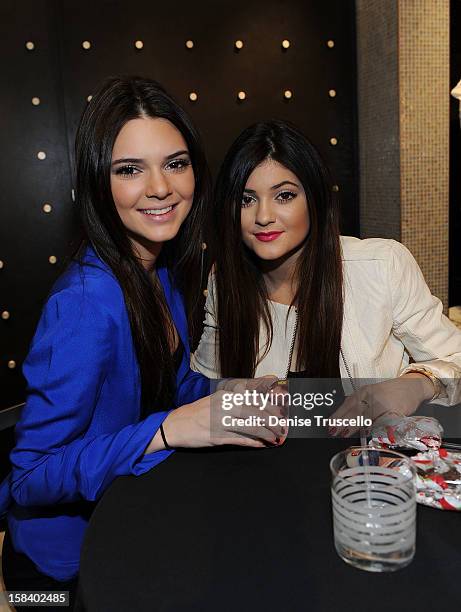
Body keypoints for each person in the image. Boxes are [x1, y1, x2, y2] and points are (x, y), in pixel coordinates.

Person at [0, 78, 283, 607]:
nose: (161, 187)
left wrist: (226, 389)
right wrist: (173, 429)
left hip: (129, 521)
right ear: (97, 184)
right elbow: (29, 477)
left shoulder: (160, 271)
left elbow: (164, 382)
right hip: (57, 572)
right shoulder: (84, 305)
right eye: (129, 169)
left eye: (175, 163)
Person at [191, 120, 461, 434]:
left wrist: (413, 386)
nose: (263, 216)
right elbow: (203, 386)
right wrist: (231, 395)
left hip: (367, 470)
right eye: (246, 199)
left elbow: (455, 356)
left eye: (284, 196)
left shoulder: (381, 265)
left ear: (314, 199)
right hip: (264, 470)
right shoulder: (225, 280)